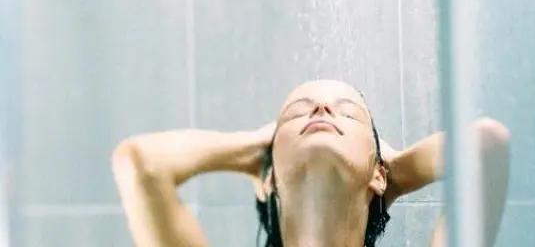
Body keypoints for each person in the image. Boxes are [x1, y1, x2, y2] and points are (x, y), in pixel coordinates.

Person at [112, 79, 510, 246]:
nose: (321, 109)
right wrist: (251, 151)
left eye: (348, 114)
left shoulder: (385, 174)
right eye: (297, 114)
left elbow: (486, 147)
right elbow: (141, 164)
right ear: (268, 174)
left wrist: (395, 174)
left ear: (378, 172)